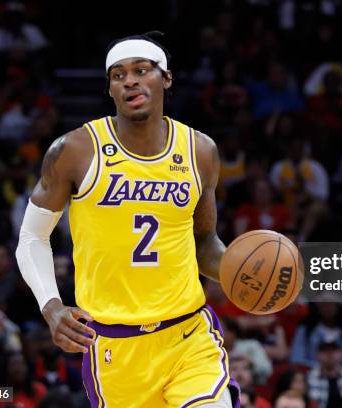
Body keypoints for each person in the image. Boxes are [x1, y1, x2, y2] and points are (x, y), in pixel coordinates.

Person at [15, 32, 238, 407]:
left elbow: (204, 243)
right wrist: (51, 306)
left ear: (166, 78)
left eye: (141, 70)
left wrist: (243, 274)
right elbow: (32, 239)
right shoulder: (74, 150)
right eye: (118, 75)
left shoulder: (200, 150)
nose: (130, 80)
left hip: (187, 336)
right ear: (110, 89)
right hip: (114, 347)